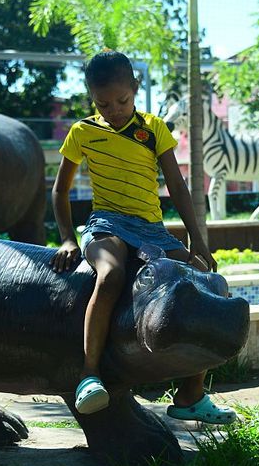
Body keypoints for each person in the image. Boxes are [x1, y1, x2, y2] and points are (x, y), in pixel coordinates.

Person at [50, 50, 237, 424]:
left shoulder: (152, 128)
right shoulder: (83, 132)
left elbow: (177, 185)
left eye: (122, 100)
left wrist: (196, 240)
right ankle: (89, 376)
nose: (114, 110)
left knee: (209, 282)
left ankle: (191, 394)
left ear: (136, 89)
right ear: (91, 97)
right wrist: (69, 239)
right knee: (110, 274)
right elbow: (60, 190)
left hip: (152, 230)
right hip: (106, 225)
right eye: (103, 103)